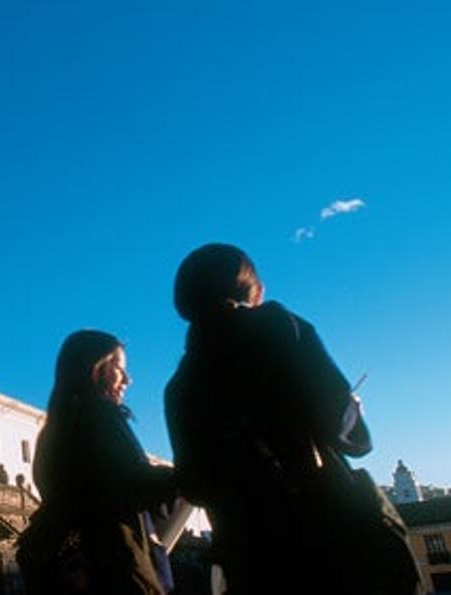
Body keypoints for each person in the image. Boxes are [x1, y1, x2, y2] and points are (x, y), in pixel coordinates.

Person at [163, 243, 419, 595]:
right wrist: (352, 410)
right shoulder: (278, 326)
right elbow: (349, 434)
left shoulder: (179, 387)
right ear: (250, 287)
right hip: (328, 537)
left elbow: (194, 485)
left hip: (252, 559)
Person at [20, 330, 177, 595]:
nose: (128, 379)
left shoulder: (54, 429)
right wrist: (183, 476)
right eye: (118, 368)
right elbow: (132, 483)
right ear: (94, 368)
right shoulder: (98, 416)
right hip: (113, 562)